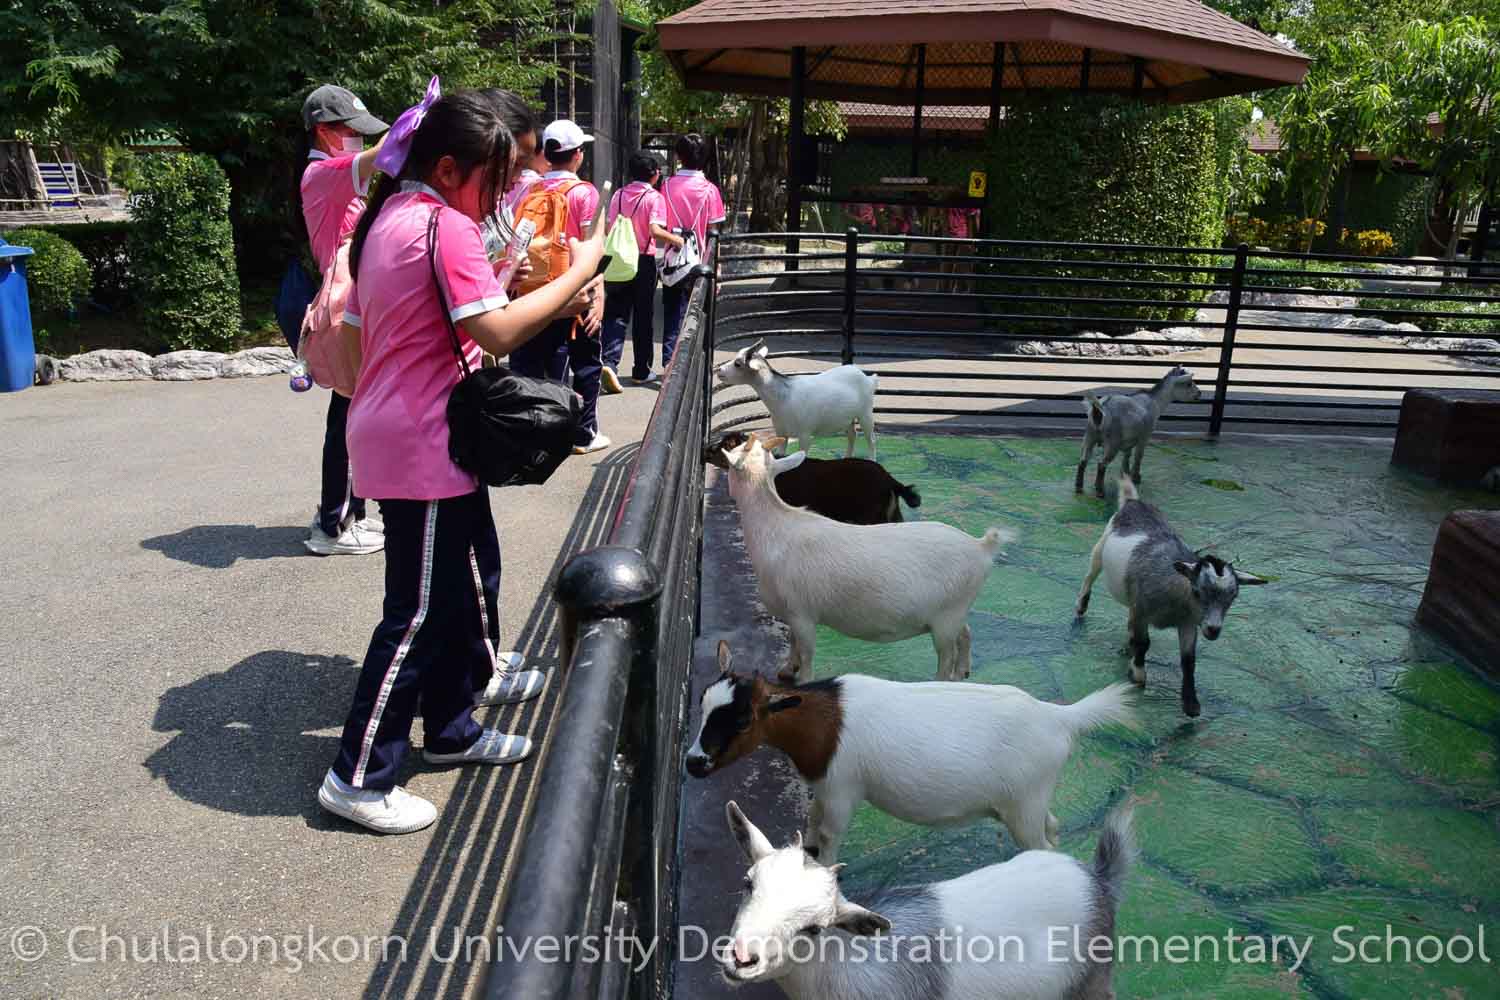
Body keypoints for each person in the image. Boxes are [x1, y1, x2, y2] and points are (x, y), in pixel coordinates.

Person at [316, 86, 605, 835]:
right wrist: (579, 271)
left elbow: (356, 340)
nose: (506, 194)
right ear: (448, 169)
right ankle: (356, 776)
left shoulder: (387, 217)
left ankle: (451, 729)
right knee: (415, 614)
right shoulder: (442, 225)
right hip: (422, 443)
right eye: (498, 178)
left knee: (450, 593)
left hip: (402, 431)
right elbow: (499, 331)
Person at [299, 84, 390, 556]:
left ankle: (343, 513)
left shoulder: (331, 172)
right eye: (350, 130)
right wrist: (418, 120)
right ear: (323, 130)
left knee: (350, 413)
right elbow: (384, 155)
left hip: (351, 303)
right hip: (343, 309)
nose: (358, 138)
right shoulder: (324, 173)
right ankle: (335, 524)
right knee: (350, 417)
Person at [507, 119, 609, 455]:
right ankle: (582, 434)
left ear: (547, 155)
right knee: (586, 365)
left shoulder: (528, 190)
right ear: (578, 155)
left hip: (532, 293)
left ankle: (535, 434)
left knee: (532, 367)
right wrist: (598, 294)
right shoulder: (584, 193)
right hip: (572, 294)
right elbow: (592, 249)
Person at [601, 152, 683, 389]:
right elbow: (654, 230)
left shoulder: (618, 194)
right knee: (643, 316)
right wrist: (676, 240)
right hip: (643, 261)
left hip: (618, 260)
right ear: (655, 174)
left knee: (615, 313)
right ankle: (641, 370)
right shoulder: (654, 198)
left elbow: (609, 227)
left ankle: (609, 363)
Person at [659, 133, 725, 373]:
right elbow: (713, 233)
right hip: (700, 262)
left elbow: (660, 225)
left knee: (672, 314)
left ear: (678, 156)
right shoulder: (710, 190)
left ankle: (669, 363)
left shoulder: (665, 186)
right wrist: (717, 266)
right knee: (698, 315)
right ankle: (695, 366)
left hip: (673, 260)